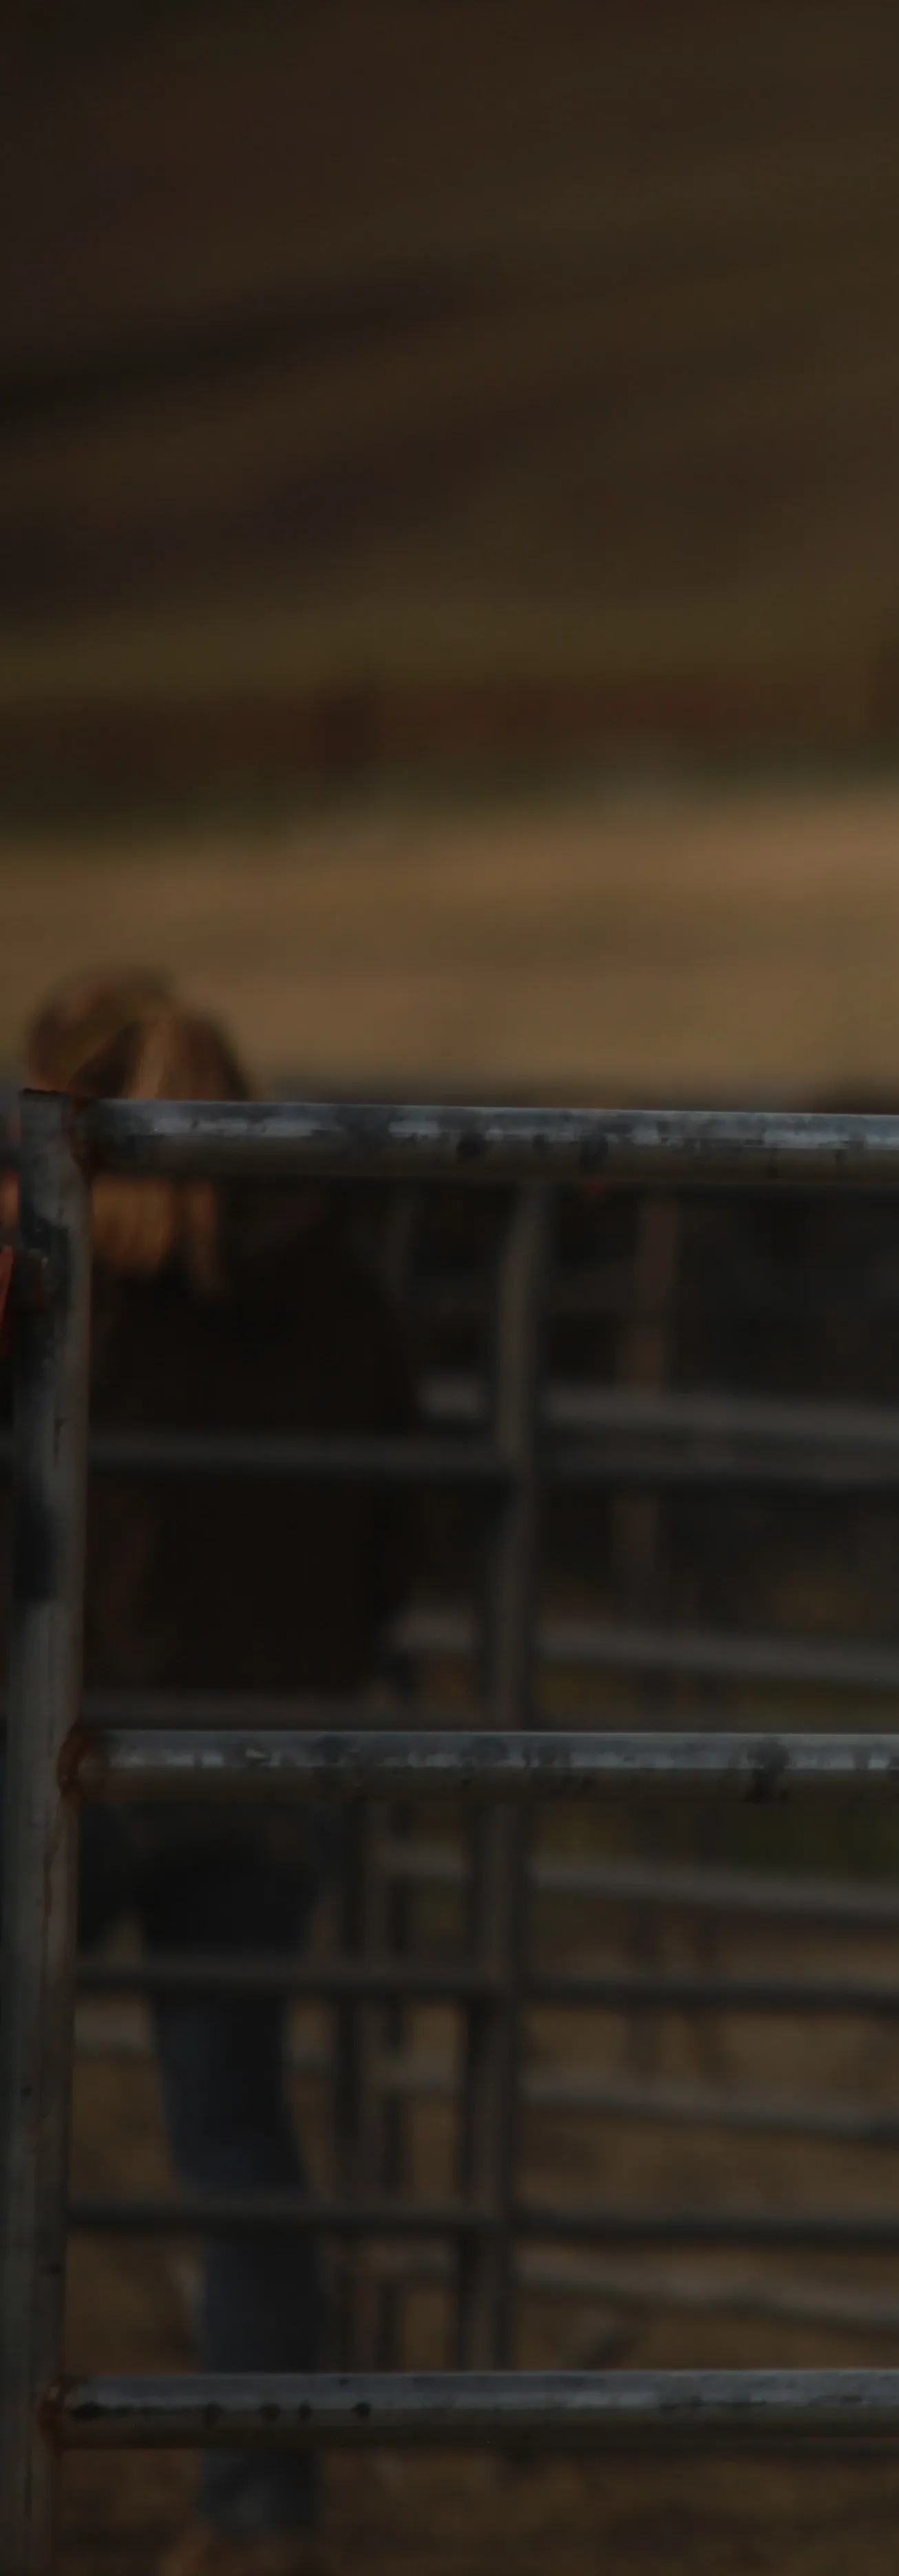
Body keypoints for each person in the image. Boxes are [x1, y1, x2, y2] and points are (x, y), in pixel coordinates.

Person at [12, 970, 419, 2576]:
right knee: (237, 2133)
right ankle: (260, 2504)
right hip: (261, 1760)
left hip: (72, 1751)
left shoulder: (57, 1285)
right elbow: (403, 1525)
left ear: (65, 1107)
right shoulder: (339, 1289)